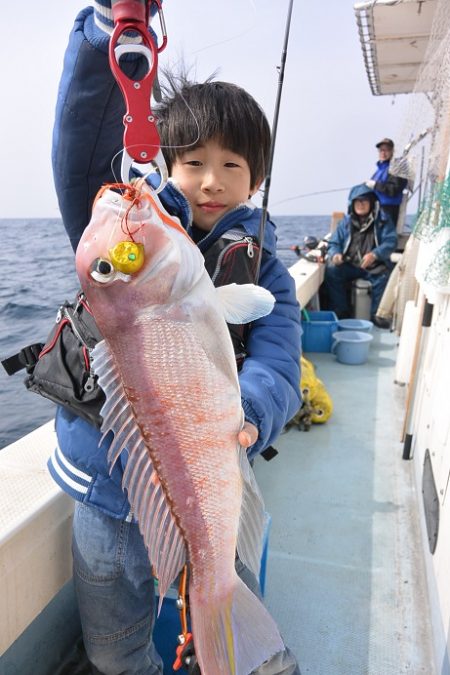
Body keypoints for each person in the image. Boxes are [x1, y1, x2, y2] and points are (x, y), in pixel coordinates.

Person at [48, 4, 302, 674]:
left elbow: (278, 360)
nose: (211, 179)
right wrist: (108, 31)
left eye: (232, 164)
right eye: (191, 162)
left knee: (216, 599)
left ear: (257, 180)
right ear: (162, 161)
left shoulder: (266, 271)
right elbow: (82, 144)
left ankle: (221, 643)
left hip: (214, 480)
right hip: (106, 495)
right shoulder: (144, 236)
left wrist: (248, 413)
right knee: (113, 645)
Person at [323, 184, 397, 326]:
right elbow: (334, 243)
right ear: (352, 204)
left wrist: (375, 255)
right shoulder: (345, 223)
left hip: (374, 266)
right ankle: (341, 313)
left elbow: (391, 241)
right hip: (350, 265)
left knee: (384, 277)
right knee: (332, 271)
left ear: (371, 203)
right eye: (357, 201)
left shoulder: (383, 220)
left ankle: (377, 315)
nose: (361, 205)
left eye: (364, 201)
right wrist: (335, 254)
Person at [365, 137, 408, 226]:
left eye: (387, 150)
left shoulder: (397, 167)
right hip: (375, 209)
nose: (383, 153)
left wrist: (375, 185)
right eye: (381, 150)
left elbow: (393, 190)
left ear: (392, 151)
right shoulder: (379, 169)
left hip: (388, 210)